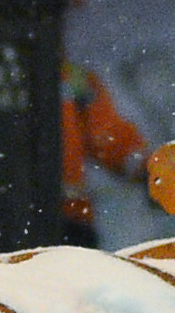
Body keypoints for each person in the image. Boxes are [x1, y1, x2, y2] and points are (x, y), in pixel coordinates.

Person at [61, 55, 146, 246]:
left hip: (69, 220)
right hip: (57, 220)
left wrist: (149, 168)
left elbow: (108, 137)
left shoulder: (74, 80)